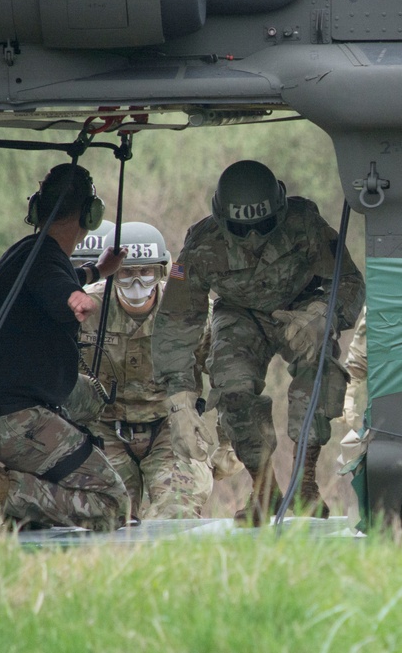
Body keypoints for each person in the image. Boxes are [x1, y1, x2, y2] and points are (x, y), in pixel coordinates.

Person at [152, 160, 365, 525]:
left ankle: (306, 484)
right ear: (222, 221)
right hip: (239, 314)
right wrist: (179, 397)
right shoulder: (201, 246)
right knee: (232, 386)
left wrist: (322, 316)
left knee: (320, 371)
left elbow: (350, 283)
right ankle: (264, 491)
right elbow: (176, 319)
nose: (252, 239)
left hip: (300, 309)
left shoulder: (305, 225)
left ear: (279, 212)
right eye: (240, 230)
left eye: (263, 227)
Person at [0, 162, 130, 530]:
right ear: (89, 215)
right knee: (112, 504)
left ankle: (23, 515)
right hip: (15, 418)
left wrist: (96, 272)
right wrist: (77, 301)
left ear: (37, 210)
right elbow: (59, 291)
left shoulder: (27, 253)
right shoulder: (46, 262)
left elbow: (57, 279)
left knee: (87, 399)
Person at [72, 220, 242, 520]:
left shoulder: (190, 311)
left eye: (145, 272)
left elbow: (229, 379)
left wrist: (229, 444)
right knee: (102, 517)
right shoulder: (85, 308)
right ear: (112, 271)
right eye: (125, 272)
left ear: (162, 271)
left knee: (176, 512)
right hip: (103, 431)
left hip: (172, 429)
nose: (136, 283)